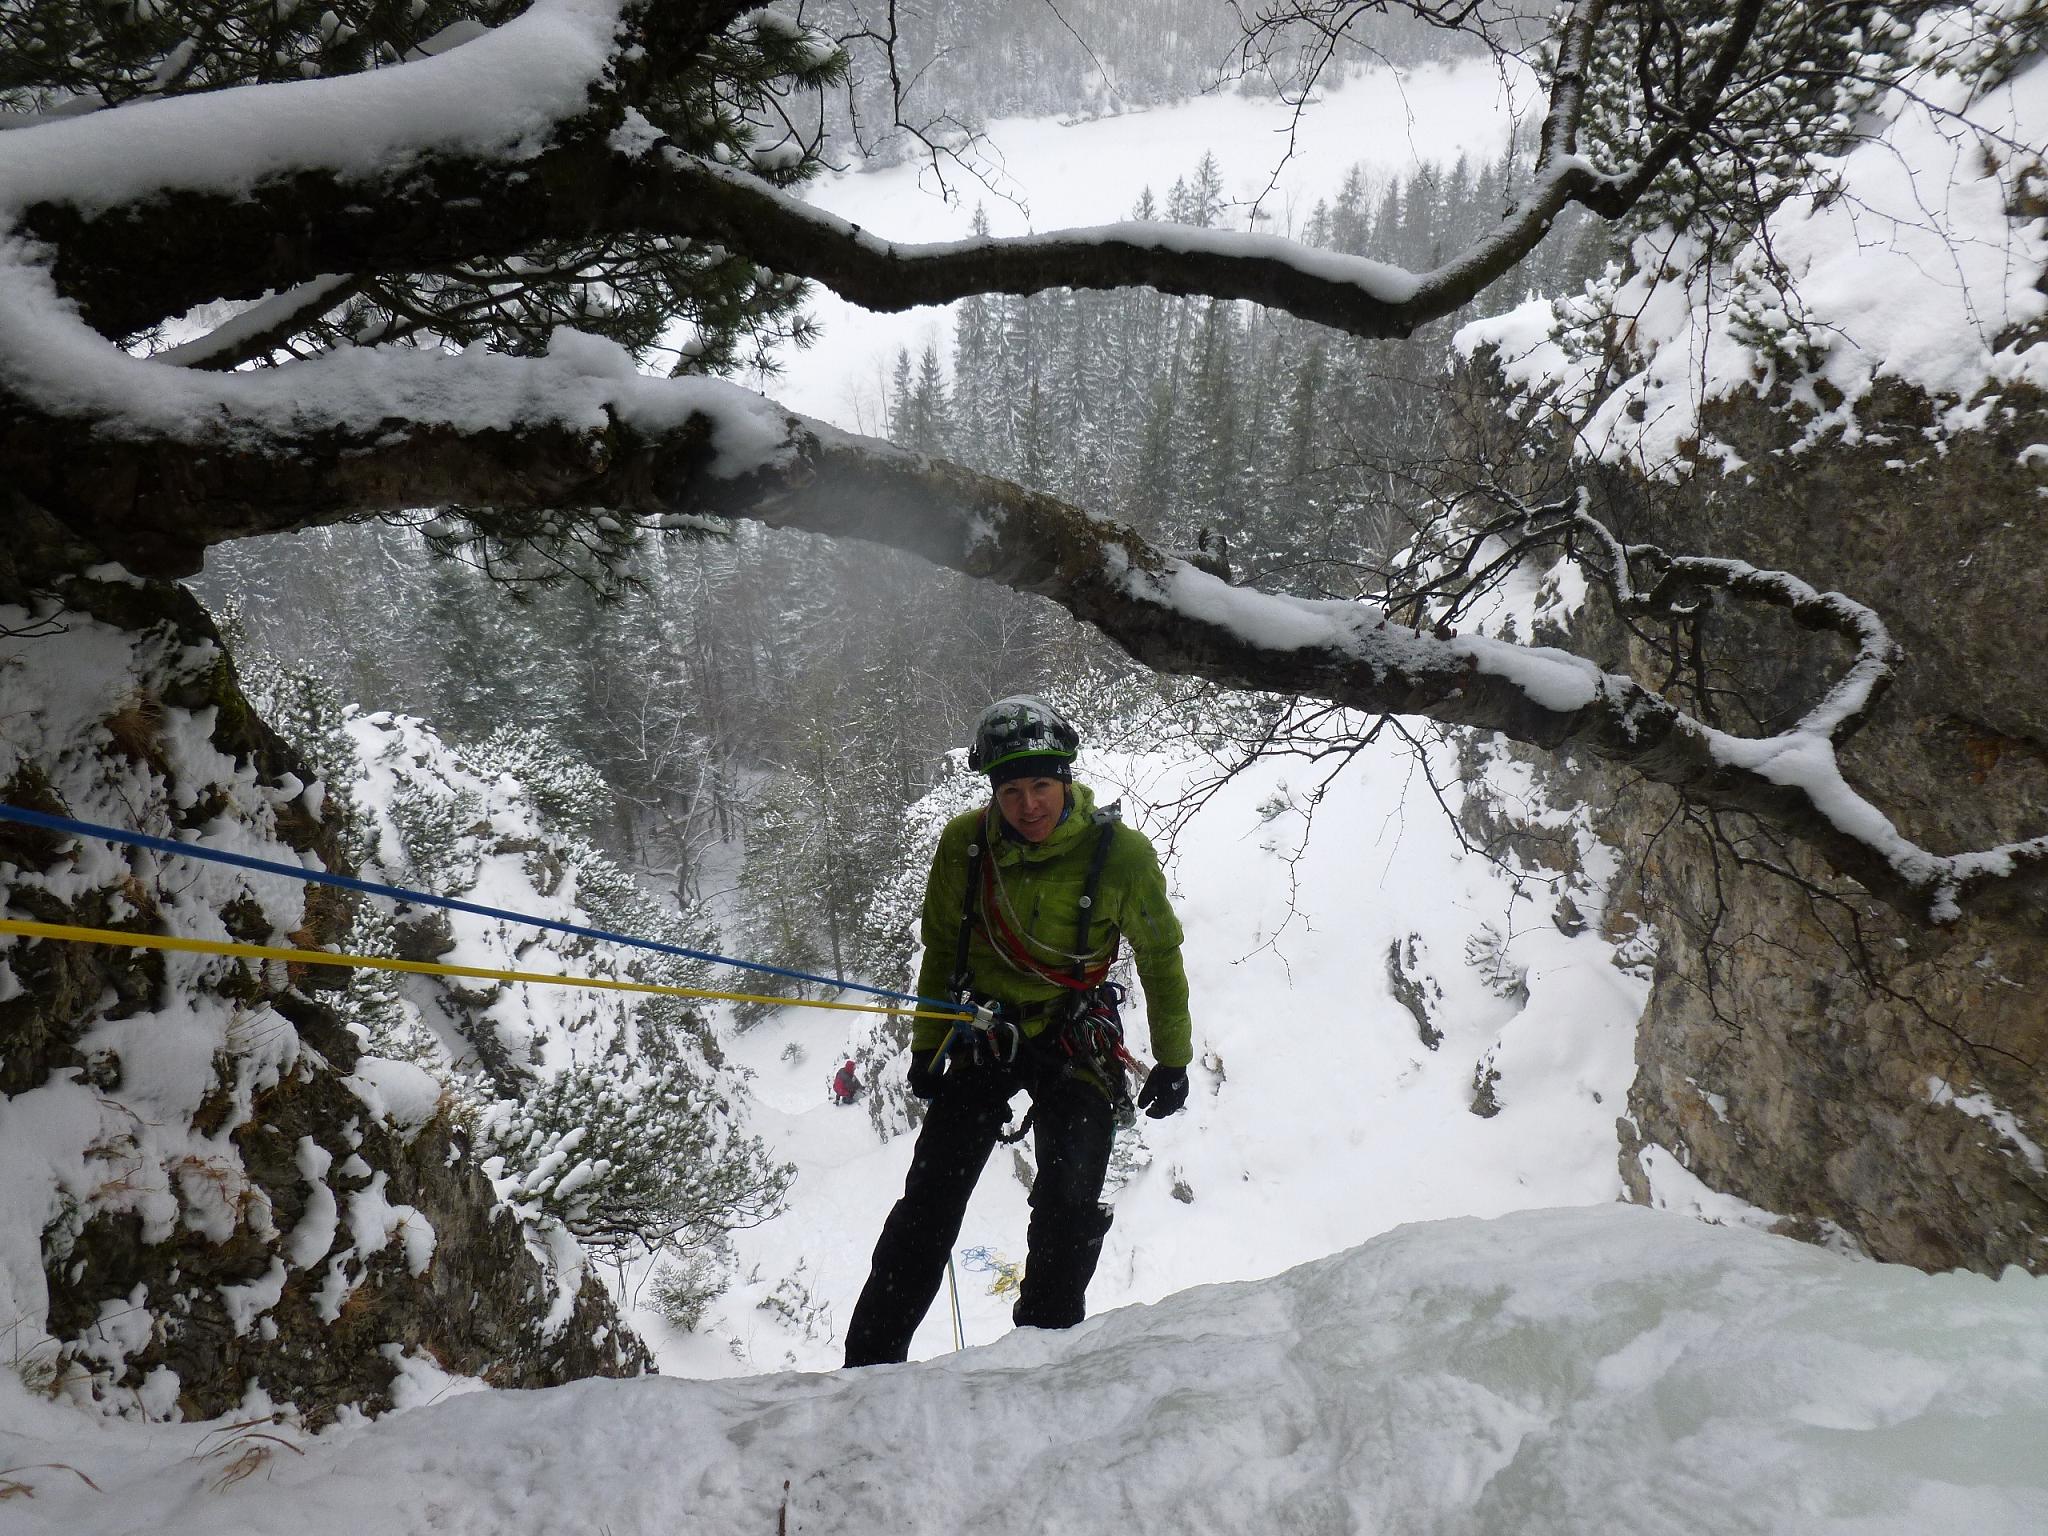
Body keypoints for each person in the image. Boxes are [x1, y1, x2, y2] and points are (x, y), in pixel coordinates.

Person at [843, 696, 1192, 1367]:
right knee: (930, 1203)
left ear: (1066, 780)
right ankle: (869, 1363)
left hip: (1073, 1035)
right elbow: (943, 947)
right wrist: (927, 1047)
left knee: (1069, 1199)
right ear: (993, 792)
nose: (1028, 805)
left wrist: (1173, 1059)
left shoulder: (1120, 855)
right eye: (1011, 790)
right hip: (985, 1031)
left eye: (1040, 786)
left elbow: (1159, 954)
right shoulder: (965, 846)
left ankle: (1041, 1354)